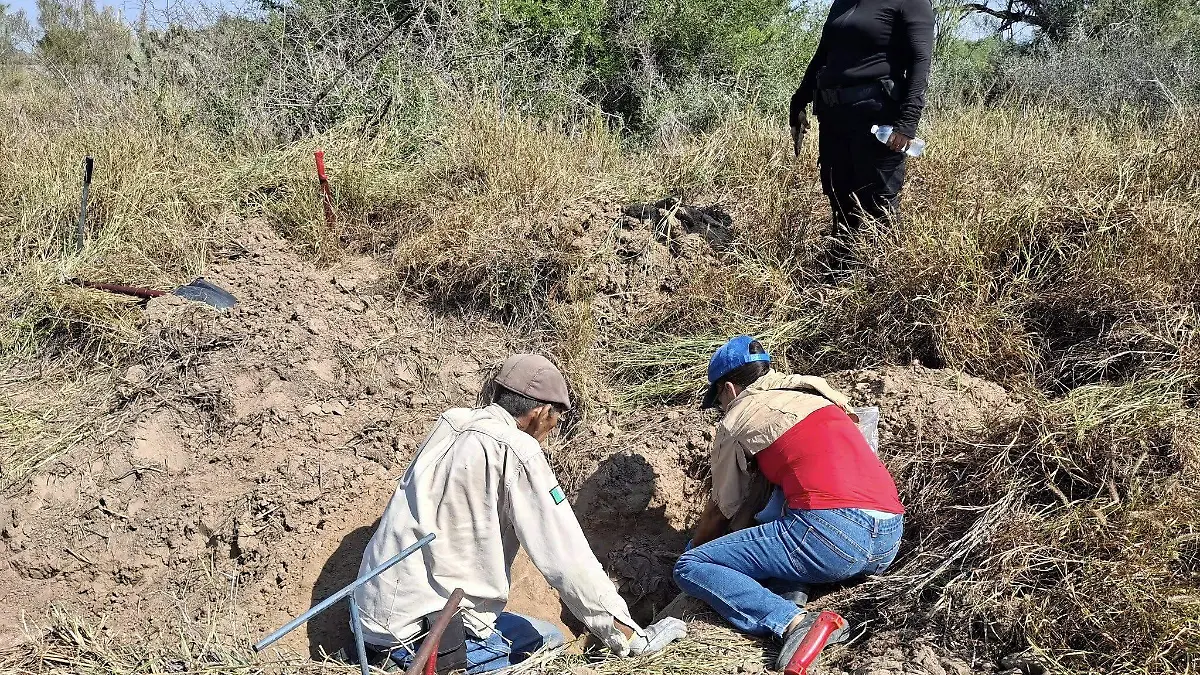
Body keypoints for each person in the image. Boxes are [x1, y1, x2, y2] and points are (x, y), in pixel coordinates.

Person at [353, 353, 686, 674]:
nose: (549, 432)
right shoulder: (516, 447)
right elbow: (566, 556)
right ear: (540, 412)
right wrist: (628, 635)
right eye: (554, 421)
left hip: (368, 623)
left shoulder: (451, 422)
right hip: (421, 640)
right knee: (550, 639)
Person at [673, 336, 904, 670]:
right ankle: (790, 593)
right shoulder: (816, 392)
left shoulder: (739, 417)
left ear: (729, 389)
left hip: (833, 536)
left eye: (719, 399)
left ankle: (794, 622)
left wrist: (695, 548)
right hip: (887, 540)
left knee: (691, 566)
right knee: (782, 521)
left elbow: (724, 508)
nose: (721, 408)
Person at [789, 0, 935, 265]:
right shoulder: (843, 2)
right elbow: (823, 55)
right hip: (833, 116)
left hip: (877, 119)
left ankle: (885, 281)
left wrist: (907, 124)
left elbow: (920, 62)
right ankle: (842, 271)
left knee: (879, 204)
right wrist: (799, 100)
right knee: (838, 193)